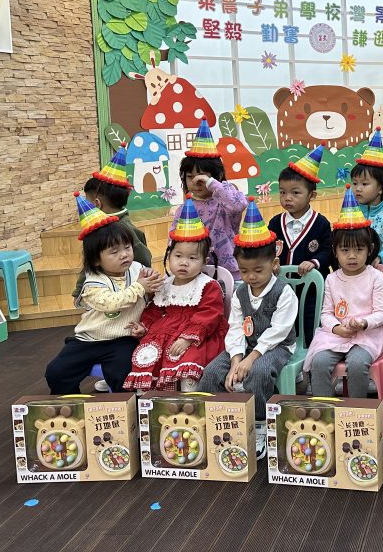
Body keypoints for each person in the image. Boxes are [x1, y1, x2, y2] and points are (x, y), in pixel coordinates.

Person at [200, 199, 298, 460]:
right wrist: (235, 360)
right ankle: (224, 420)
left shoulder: (284, 291)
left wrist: (250, 359)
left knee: (260, 372)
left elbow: (279, 331)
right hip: (244, 346)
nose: (251, 277)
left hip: (276, 346)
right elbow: (235, 327)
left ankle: (260, 424)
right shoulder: (241, 292)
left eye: (258, 270)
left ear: (273, 264)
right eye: (244, 271)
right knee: (211, 373)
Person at [44, 193, 163, 393]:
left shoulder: (137, 269)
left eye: (127, 247)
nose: (124, 254)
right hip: (89, 339)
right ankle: (72, 404)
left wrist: (152, 283)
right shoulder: (93, 282)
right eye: (114, 252)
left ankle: (123, 407)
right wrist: (141, 287)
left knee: (124, 373)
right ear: (96, 260)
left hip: (124, 339)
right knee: (56, 372)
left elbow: (151, 294)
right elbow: (111, 303)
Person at [124, 195, 228, 391]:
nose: (184, 263)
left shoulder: (208, 286)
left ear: (204, 262)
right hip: (165, 332)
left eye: (192, 258)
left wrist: (188, 337)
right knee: (147, 353)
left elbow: (211, 314)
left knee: (189, 355)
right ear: (169, 256)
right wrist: (144, 326)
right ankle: (148, 400)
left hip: (198, 334)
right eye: (178, 256)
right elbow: (155, 310)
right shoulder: (165, 284)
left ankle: (190, 395)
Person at [304, 186, 383, 397]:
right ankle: (324, 409)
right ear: (335, 251)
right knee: (319, 362)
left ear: (369, 250)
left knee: (358, 363)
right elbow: (326, 313)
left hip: (367, 335)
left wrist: (363, 323)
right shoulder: (332, 279)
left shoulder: (375, 276)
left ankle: (357, 409)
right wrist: (336, 328)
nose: (352, 256)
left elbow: (382, 313)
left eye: (359, 250)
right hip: (336, 335)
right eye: (345, 250)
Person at [267, 144, 332, 341]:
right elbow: (268, 251)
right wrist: (270, 263)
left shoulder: (321, 223)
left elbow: (328, 251)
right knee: (283, 331)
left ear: (312, 195)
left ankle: (311, 356)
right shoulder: (275, 223)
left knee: (310, 331)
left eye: (295, 193)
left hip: (311, 292)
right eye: (282, 192)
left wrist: (314, 262)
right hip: (281, 291)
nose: (287, 198)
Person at [72, 146, 152, 304]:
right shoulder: (100, 230)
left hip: (126, 290)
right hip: (103, 290)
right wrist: (80, 289)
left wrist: (145, 281)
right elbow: (89, 261)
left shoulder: (124, 229)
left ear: (97, 204)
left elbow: (144, 260)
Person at [174, 119, 248, 279]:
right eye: (190, 177)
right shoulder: (183, 209)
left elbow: (239, 205)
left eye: (202, 177)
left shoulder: (225, 199)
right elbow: (173, 241)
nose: (196, 181)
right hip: (195, 274)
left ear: (218, 176)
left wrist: (211, 184)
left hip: (230, 272)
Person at [349, 127, 383, 267]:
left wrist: (380, 257)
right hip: (353, 271)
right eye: (355, 183)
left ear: (382, 188)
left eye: (365, 184)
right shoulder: (349, 212)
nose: (358, 188)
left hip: (380, 271)